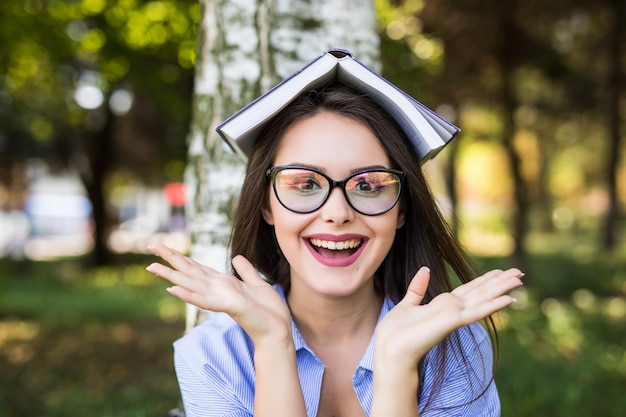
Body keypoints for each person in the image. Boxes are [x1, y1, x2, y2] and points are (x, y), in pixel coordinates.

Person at [146, 79, 524, 417]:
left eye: (370, 185)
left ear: (402, 208)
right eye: (305, 184)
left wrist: (397, 369)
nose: (338, 213)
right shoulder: (214, 354)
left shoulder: (453, 346)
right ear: (266, 205)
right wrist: (274, 346)